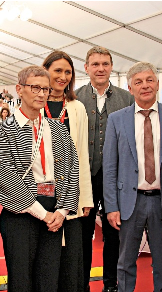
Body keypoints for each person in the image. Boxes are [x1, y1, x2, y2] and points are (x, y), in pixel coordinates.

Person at [0, 65, 80, 292]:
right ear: (19, 90)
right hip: (20, 212)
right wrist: (43, 214)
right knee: (21, 281)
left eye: (46, 89)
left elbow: (72, 170)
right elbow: (5, 175)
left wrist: (61, 212)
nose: (42, 94)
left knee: (49, 279)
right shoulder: (5, 130)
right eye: (35, 88)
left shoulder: (58, 129)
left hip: (54, 212)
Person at [103, 62, 162, 292]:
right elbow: (109, 166)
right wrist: (111, 206)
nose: (145, 86)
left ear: (157, 83)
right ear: (130, 87)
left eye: (149, 80)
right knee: (125, 261)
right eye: (138, 82)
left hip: (161, 202)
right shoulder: (117, 119)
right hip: (128, 202)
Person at [76, 46, 134, 292]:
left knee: (114, 235)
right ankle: (81, 284)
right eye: (95, 64)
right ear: (86, 67)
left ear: (111, 67)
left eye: (105, 64)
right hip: (83, 179)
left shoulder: (126, 98)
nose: (100, 69)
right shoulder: (75, 97)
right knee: (83, 235)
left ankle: (111, 284)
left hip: (116, 179)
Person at [42, 51, 93, 292]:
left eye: (68, 72)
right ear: (46, 72)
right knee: (44, 262)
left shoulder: (76, 107)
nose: (63, 77)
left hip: (70, 195)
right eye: (57, 71)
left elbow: (82, 155)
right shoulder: (35, 104)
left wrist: (85, 198)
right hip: (39, 196)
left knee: (70, 262)